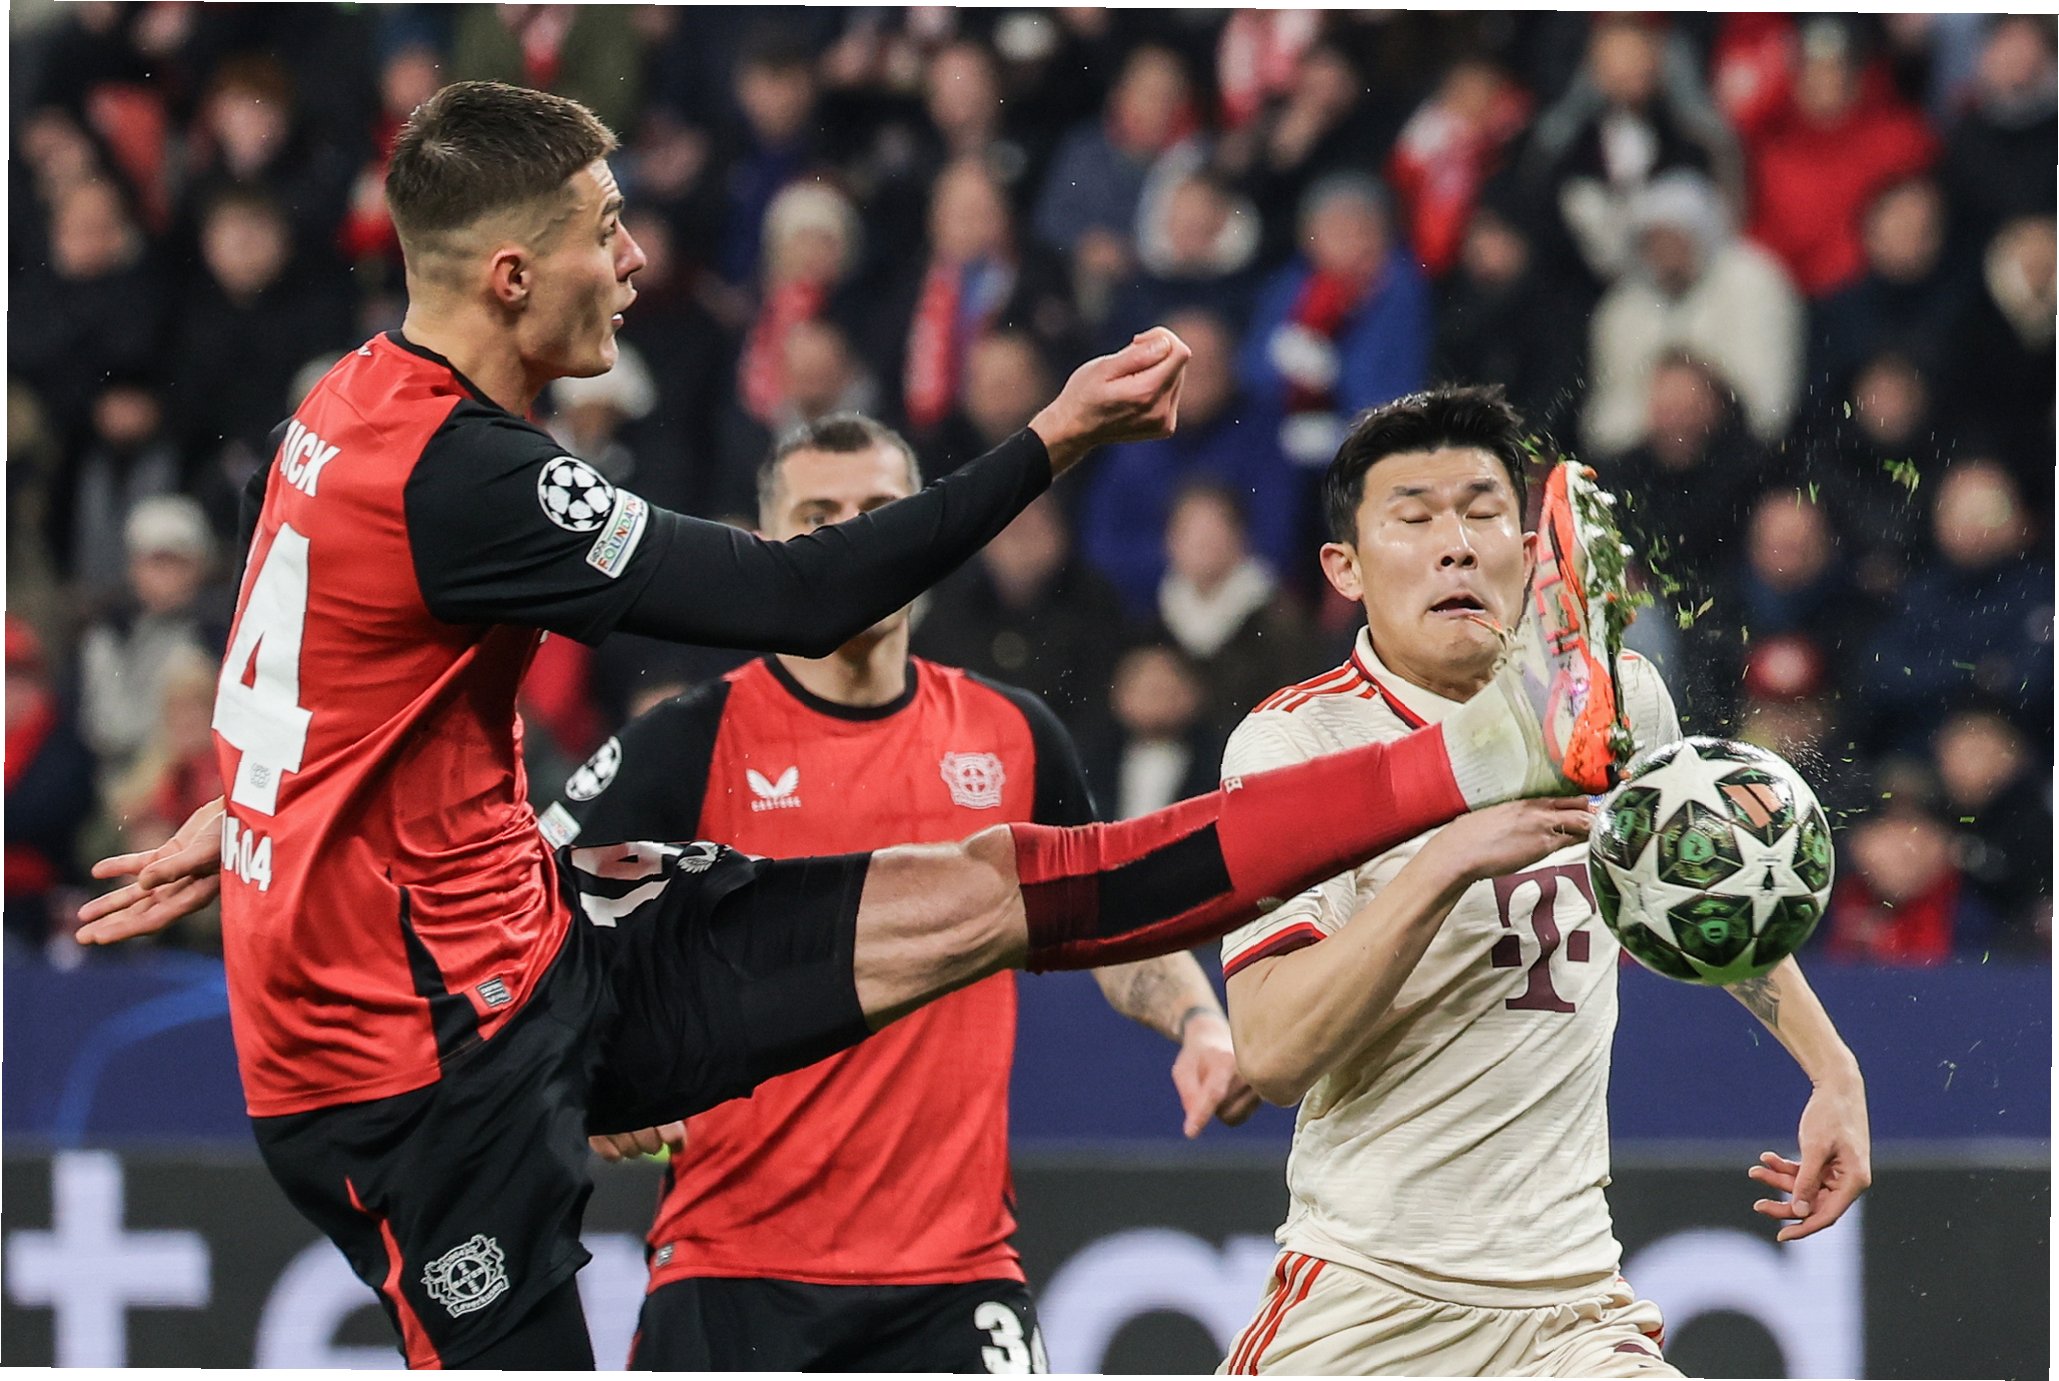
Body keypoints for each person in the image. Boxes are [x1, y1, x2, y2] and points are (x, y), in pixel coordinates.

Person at [78, 83, 1627, 1370]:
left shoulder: (350, 401)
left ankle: (1482, 750)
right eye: (602, 230)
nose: (632, 258)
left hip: (533, 944)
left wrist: (272, 802)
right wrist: (1053, 435)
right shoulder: (464, 475)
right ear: (507, 276)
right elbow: (799, 592)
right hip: (412, 1072)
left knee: (1001, 886)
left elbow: (322, 659)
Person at [555, 416, 1256, 1370]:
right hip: (733, 1267)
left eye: (882, 510)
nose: (857, 539)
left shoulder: (1014, 735)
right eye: (819, 516)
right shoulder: (688, 741)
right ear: (764, 545)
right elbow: (523, 908)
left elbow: (1105, 920)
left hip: (957, 1276)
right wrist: (592, 1064)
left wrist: (1199, 1023)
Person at [1213, 387, 1872, 1377]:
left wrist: (1832, 1069)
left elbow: (1700, 903)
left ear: (1527, 549)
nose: (1455, 545)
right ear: (1343, 568)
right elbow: (1270, 1054)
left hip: (1570, 1309)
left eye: (1481, 512)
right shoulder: (1292, 747)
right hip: (1368, 1299)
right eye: (1413, 517)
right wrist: (1444, 861)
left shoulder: (1616, 702)